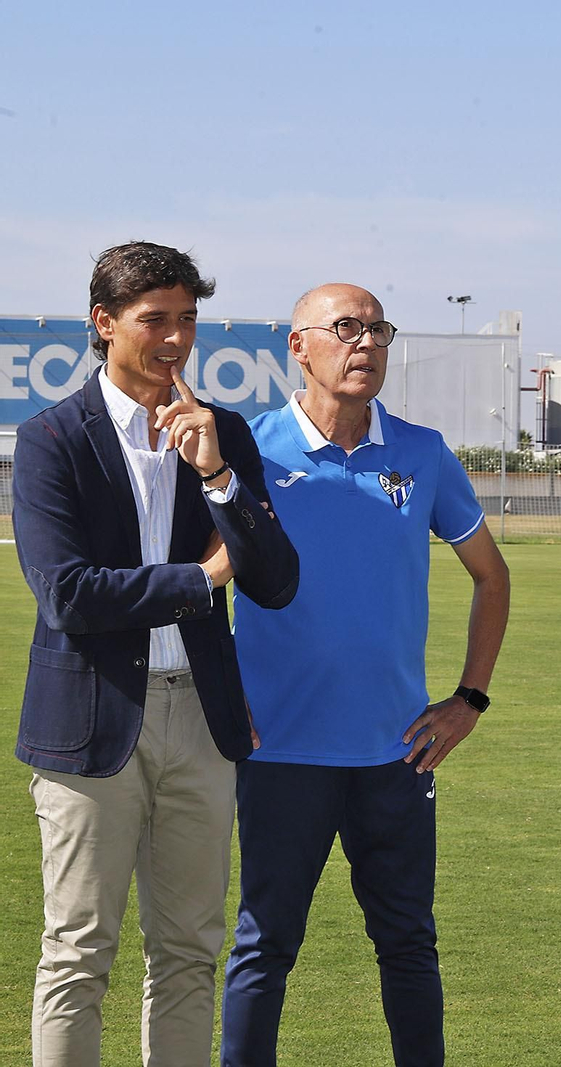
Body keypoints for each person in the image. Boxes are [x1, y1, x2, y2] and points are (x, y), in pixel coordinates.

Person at [12, 241, 299, 1065]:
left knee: (188, 952)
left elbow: (276, 581)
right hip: (88, 722)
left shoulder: (227, 432)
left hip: (204, 723)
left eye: (188, 320)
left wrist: (216, 477)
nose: (175, 339)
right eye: (155, 320)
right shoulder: (50, 440)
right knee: (77, 956)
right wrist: (200, 578)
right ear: (104, 325)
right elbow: (68, 594)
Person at [220, 284, 511, 1067]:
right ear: (299, 345)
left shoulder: (421, 452)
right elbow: (203, 579)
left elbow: (492, 575)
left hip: (396, 754)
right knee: (264, 947)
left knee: (409, 944)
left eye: (378, 328)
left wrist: (468, 699)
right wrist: (225, 695)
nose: (367, 343)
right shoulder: (248, 448)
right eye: (345, 328)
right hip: (280, 751)